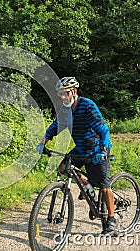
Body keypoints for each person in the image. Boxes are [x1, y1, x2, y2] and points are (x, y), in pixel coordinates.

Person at [36, 77, 117, 235]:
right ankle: (87, 185)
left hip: (96, 149)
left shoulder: (87, 105)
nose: (63, 97)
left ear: (74, 91)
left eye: (65, 93)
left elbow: (103, 129)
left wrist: (104, 150)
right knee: (64, 166)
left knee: (104, 185)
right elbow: (55, 127)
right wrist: (43, 141)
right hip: (80, 148)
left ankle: (112, 219)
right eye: (60, 94)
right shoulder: (65, 111)